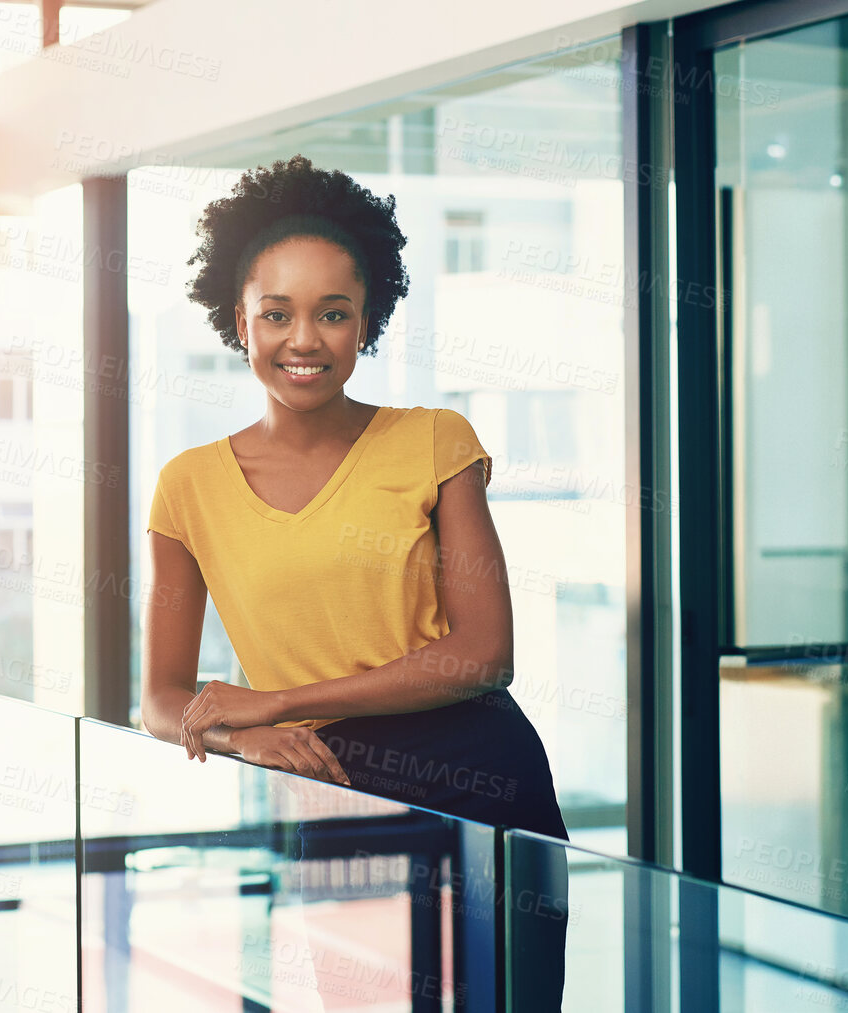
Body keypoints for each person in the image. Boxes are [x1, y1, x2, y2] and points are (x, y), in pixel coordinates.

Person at [138, 154, 569, 1007]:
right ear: (240, 320)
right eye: (279, 314)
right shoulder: (187, 486)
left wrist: (269, 701)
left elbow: (485, 655)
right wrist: (242, 738)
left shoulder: (436, 442)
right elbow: (159, 699)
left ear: (366, 321)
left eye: (333, 314)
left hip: (483, 774)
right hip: (327, 787)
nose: (305, 340)